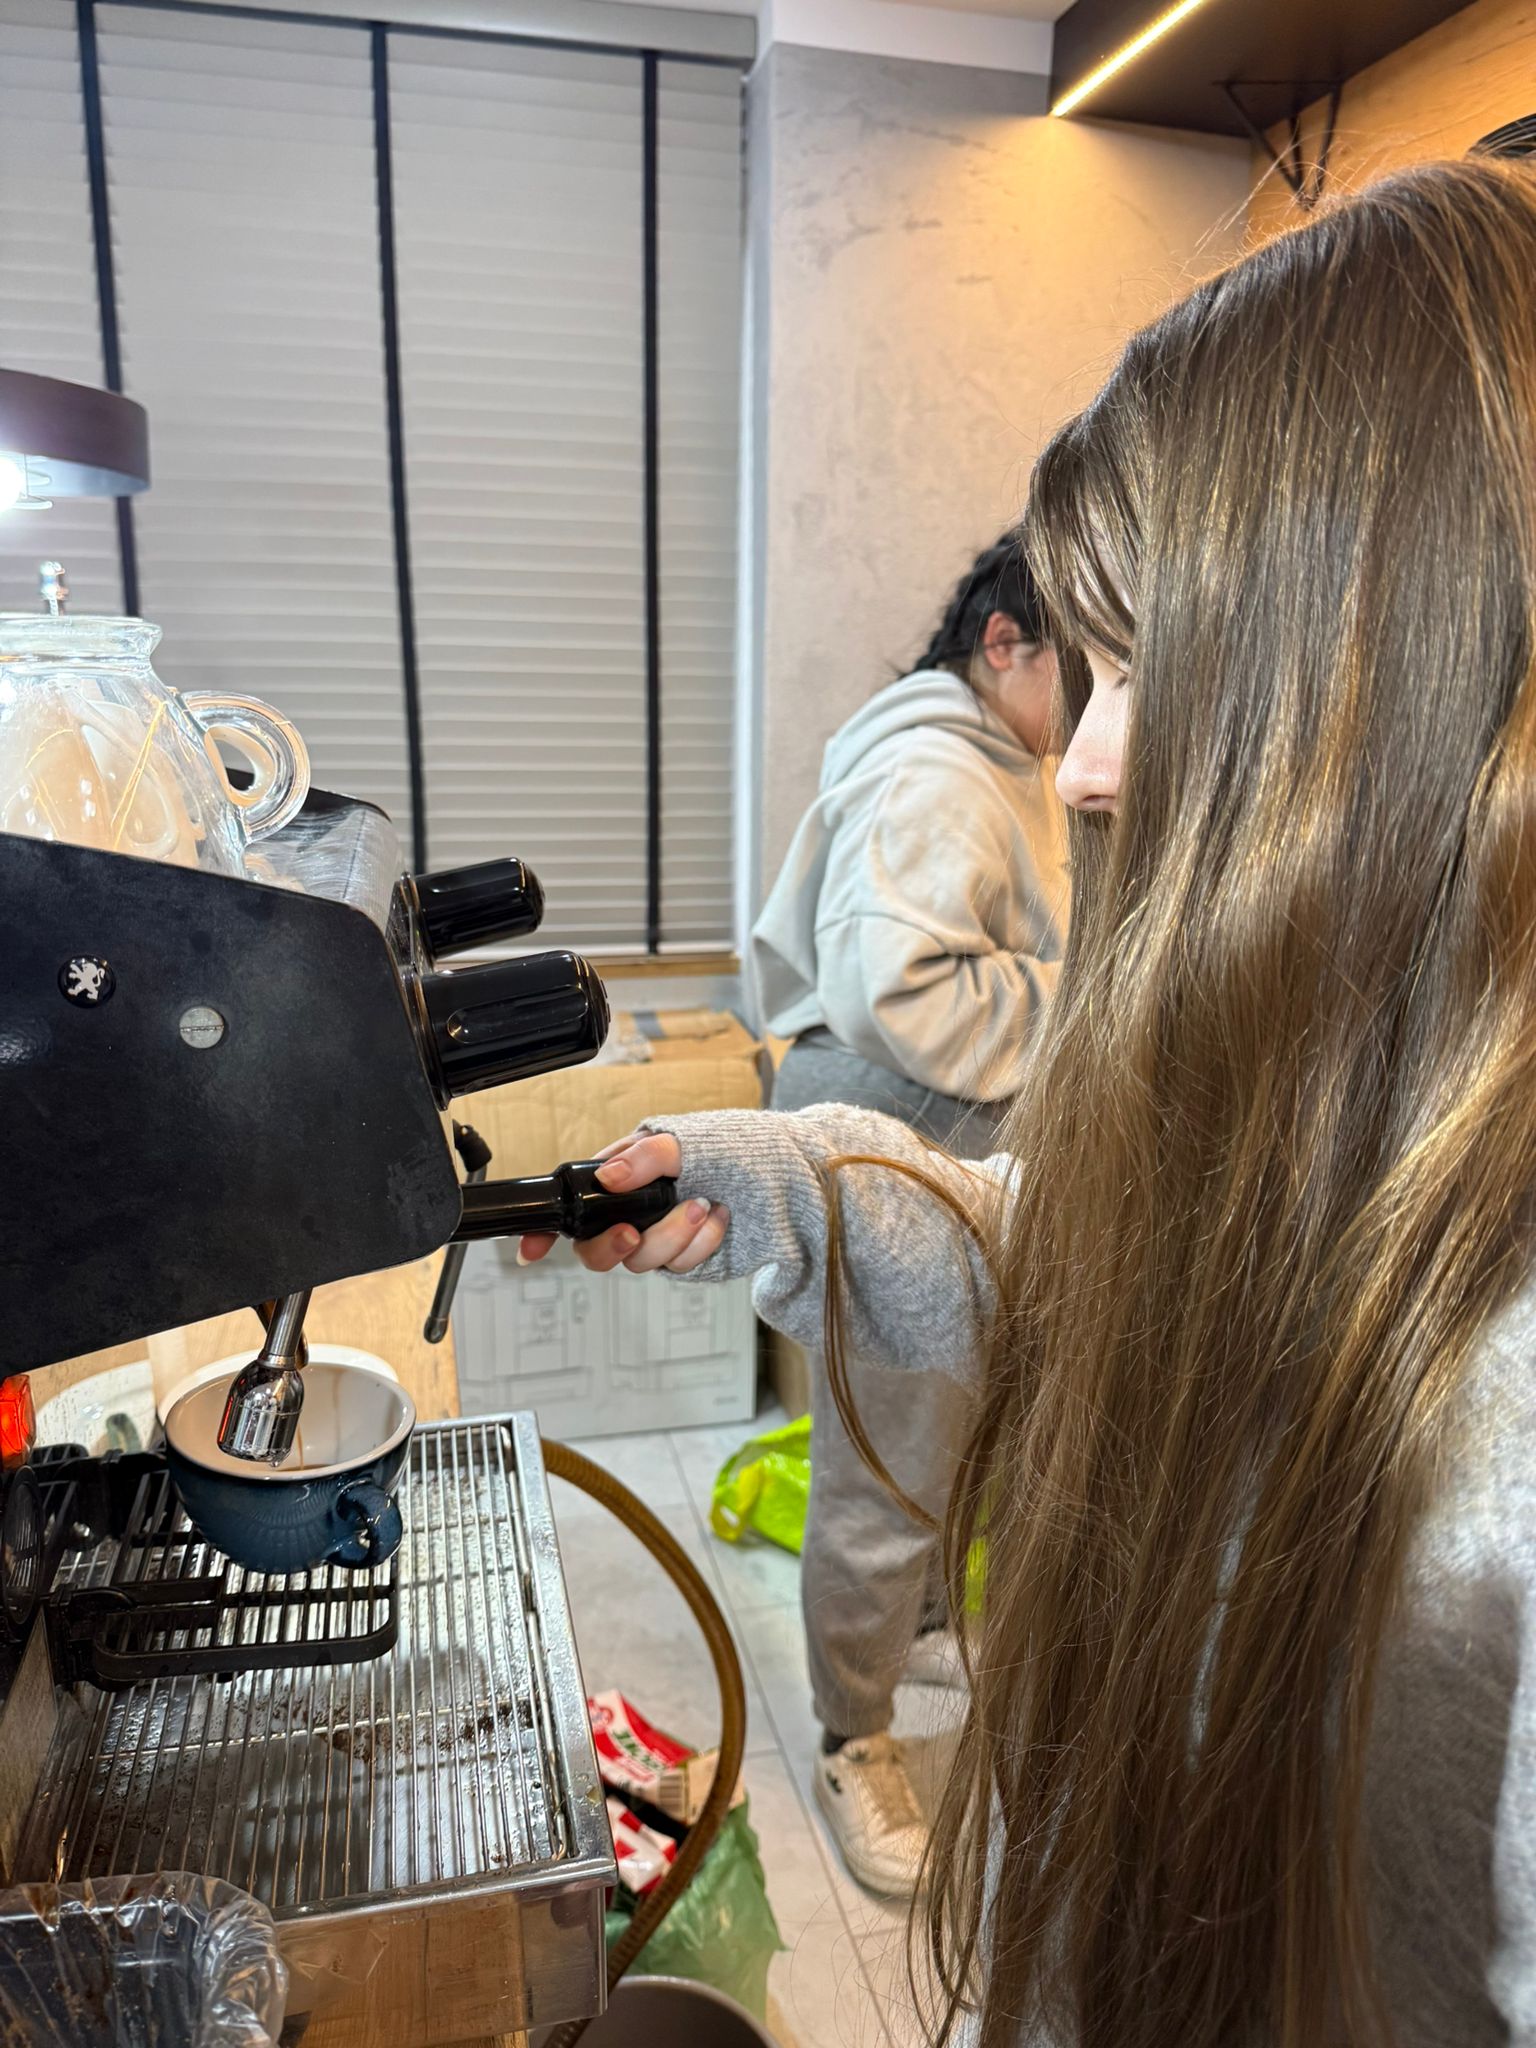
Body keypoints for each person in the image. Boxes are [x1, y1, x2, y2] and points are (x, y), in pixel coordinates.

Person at [525, 159, 1536, 2045]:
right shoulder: (1266, 1039)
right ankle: (853, 1727)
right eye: (1092, 666)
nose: (1089, 762)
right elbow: (1065, 1244)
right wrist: (800, 1181)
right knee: (881, 1491)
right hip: (901, 1095)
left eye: (1153, 666)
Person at [749, 536, 1068, 1897]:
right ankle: (852, 1737)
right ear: (1004, 644)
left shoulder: (1000, 755)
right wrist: (1093, 1001)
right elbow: (905, 992)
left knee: (957, 1419)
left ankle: (924, 1625)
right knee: (885, 1459)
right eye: (1087, 674)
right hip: (896, 1123)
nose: (1101, 719)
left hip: (947, 1121)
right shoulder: (935, 770)